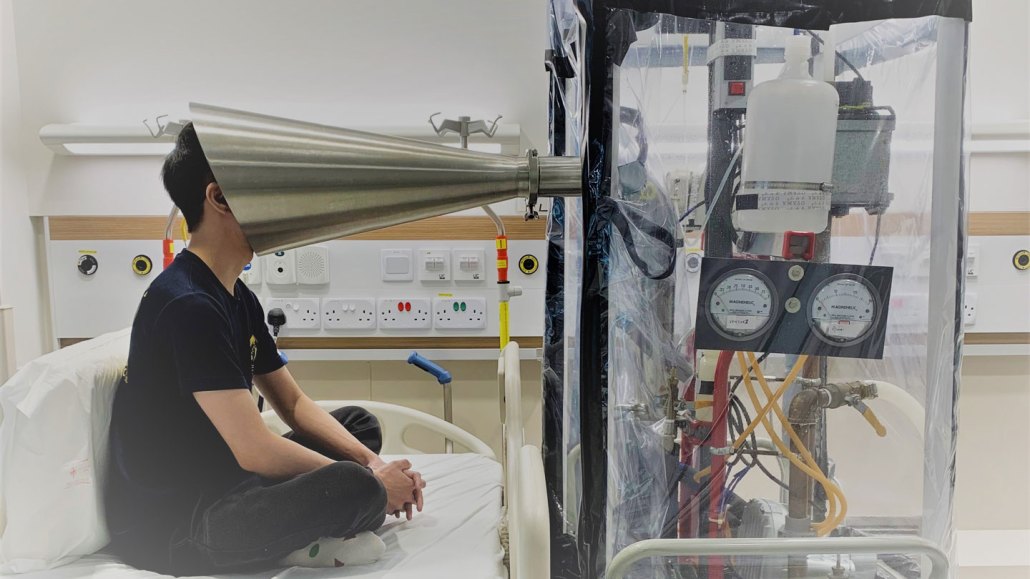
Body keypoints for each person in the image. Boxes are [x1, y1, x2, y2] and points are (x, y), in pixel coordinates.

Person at [104, 122, 425, 575]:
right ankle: (306, 540)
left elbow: (291, 402)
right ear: (219, 198)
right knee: (353, 485)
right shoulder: (187, 304)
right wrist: (373, 483)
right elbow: (255, 449)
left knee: (359, 426)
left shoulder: (236, 296)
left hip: (230, 481)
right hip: (182, 527)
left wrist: (376, 463)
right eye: (268, 191)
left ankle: (331, 511)